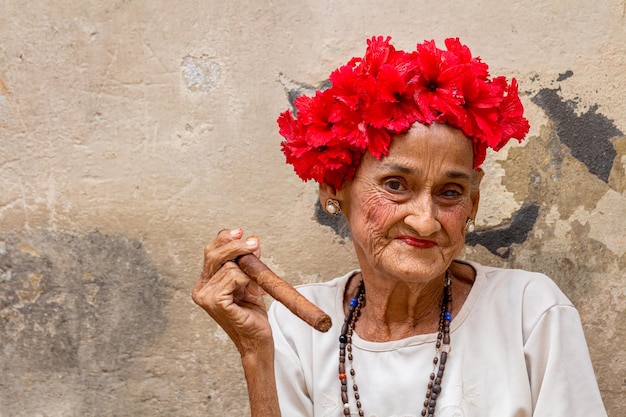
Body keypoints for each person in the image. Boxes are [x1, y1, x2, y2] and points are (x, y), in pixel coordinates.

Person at [192, 36, 607, 417]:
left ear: (473, 204)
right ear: (336, 189)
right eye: (395, 186)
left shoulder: (529, 312)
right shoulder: (296, 324)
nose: (425, 221)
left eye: (450, 193)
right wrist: (254, 352)